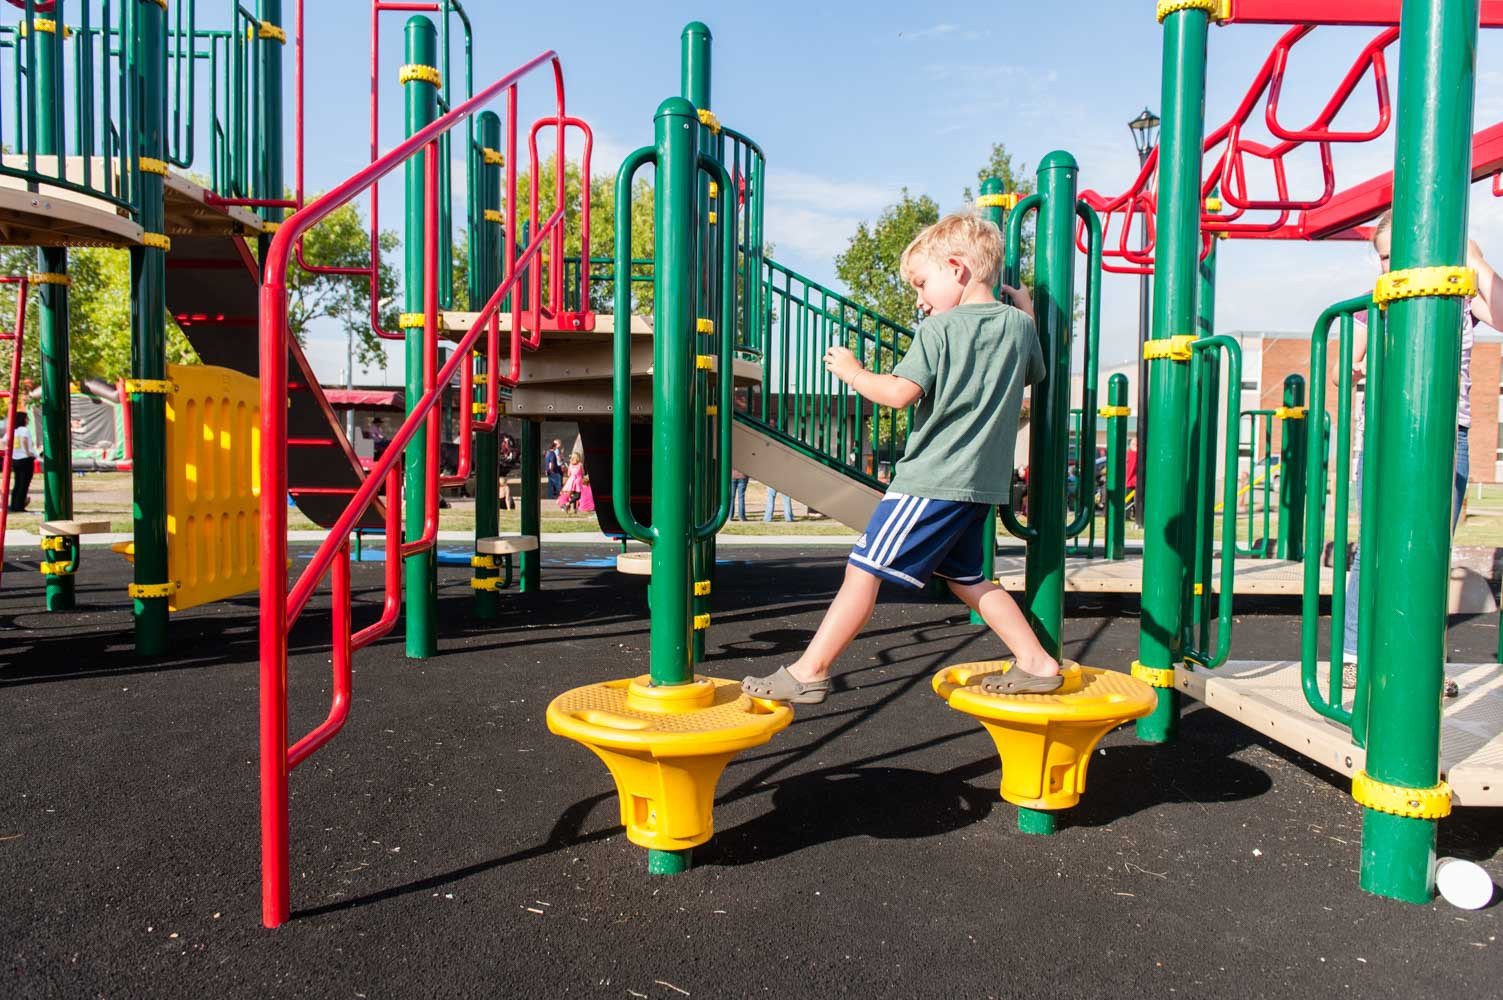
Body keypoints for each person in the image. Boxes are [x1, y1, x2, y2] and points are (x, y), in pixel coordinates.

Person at [743, 212, 1056, 704]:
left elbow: (898, 393)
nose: (919, 299)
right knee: (968, 578)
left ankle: (810, 670)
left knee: (862, 569)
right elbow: (1034, 373)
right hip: (980, 486)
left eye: (921, 284)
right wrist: (1028, 310)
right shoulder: (1018, 328)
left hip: (932, 479)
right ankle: (1037, 662)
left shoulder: (940, 330)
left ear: (957, 269)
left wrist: (853, 371)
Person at [1341, 212, 1499, 694]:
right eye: (1383, 256)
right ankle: (1354, 652)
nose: (1386, 264)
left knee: (1431, 551)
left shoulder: (1460, 294)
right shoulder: (1381, 302)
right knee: (1377, 546)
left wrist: (1475, 261)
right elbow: (1345, 364)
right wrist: (1361, 371)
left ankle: (1423, 659)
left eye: (1394, 254)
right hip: (1391, 432)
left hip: (1449, 432)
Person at [6, 411, 36, 513]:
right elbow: (23, 440)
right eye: (27, 418)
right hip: (25, 459)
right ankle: (19, 506)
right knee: (24, 484)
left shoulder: (13, 430)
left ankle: (14, 504)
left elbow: (4, 440)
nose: (28, 420)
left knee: (17, 483)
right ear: (23, 419)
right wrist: (28, 452)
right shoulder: (24, 430)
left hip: (15, 459)